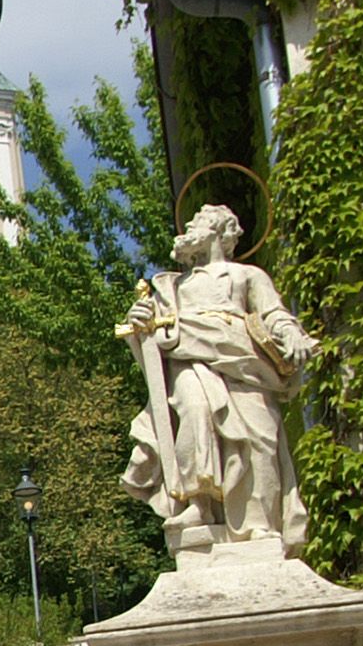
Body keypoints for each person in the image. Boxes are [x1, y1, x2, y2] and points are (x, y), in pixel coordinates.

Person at [120, 203, 318, 548]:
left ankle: (260, 524)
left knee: (261, 436)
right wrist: (138, 320)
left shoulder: (247, 275)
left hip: (243, 358)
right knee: (194, 412)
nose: (190, 227)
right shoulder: (173, 286)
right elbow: (151, 331)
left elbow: (273, 314)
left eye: (198, 221)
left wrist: (291, 334)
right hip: (189, 356)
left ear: (219, 230)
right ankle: (198, 503)